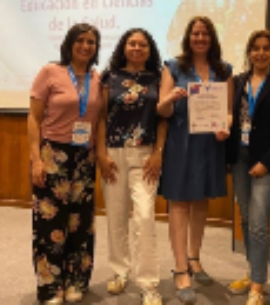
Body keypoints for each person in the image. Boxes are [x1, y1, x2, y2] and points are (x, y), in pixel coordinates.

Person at [157, 16, 233, 304]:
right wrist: (171, 99)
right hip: (180, 143)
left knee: (201, 201)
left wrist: (226, 126)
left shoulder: (223, 70)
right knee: (179, 203)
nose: (200, 38)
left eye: (205, 34)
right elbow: (161, 110)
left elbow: (227, 111)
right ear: (188, 37)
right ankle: (180, 269)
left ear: (211, 38)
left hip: (209, 144)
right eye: (195, 34)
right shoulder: (174, 67)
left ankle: (194, 258)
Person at [28, 23, 102, 304]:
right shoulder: (50, 72)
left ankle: (76, 280)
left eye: (91, 42)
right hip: (53, 155)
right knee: (50, 221)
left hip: (84, 156)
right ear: (69, 44)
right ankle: (50, 285)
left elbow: (100, 120)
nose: (85, 46)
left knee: (80, 223)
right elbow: (34, 118)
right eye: (80, 40)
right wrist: (35, 159)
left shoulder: (97, 79)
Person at [96, 28, 166, 305]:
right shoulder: (108, 77)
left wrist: (159, 152)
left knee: (145, 217)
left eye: (143, 44)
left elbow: (163, 119)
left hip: (145, 155)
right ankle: (119, 271)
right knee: (115, 215)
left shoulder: (158, 78)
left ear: (150, 50)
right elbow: (100, 117)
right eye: (132, 43)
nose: (137, 48)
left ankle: (149, 284)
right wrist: (101, 153)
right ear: (123, 47)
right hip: (112, 154)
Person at [225, 30, 270, 305]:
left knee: (258, 222)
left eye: (266, 48)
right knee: (245, 219)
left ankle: (257, 285)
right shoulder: (238, 81)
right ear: (249, 52)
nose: (261, 53)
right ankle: (252, 271)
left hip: (268, 162)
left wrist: (268, 162)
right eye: (256, 48)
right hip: (240, 158)